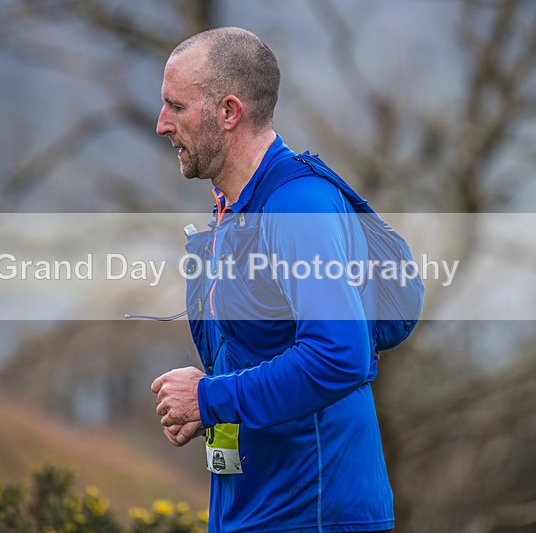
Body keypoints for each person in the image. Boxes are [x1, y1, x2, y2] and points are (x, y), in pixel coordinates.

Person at [150, 27, 394, 533]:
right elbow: (257, 351)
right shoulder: (234, 210)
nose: (161, 124)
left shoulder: (297, 207)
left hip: (314, 515)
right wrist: (208, 404)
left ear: (228, 112)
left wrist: (210, 398)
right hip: (255, 511)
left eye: (176, 106)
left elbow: (339, 355)